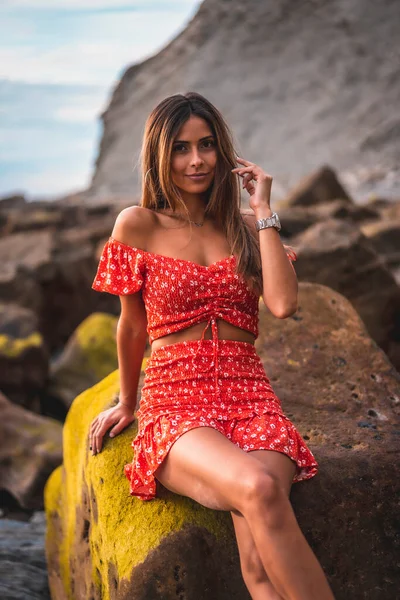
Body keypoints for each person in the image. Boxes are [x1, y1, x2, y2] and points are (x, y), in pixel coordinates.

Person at [90, 92, 335, 600]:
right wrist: (128, 402)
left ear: (224, 153)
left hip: (251, 398)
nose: (196, 160)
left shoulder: (248, 229)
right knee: (260, 489)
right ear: (161, 154)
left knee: (259, 563)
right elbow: (132, 326)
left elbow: (284, 305)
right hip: (177, 401)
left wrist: (263, 209)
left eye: (206, 146)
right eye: (181, 148)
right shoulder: (138, 224)